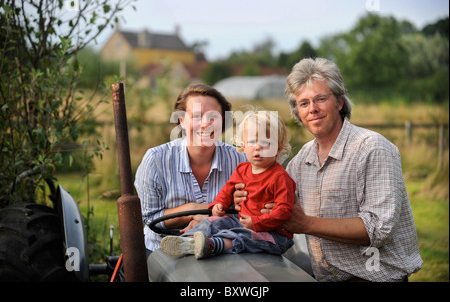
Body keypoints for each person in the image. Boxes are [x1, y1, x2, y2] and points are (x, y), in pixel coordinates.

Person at [235, 57, 423, 282]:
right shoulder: (300, 161)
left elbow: (378, 229)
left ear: (339, 102)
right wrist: (248, 196)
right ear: (298, 111)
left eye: (320, 99)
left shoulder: (372, 148)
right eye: (304, 103)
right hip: (323, 277)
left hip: (374, 277)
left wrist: (305, 224)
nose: (312, 109)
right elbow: (279, 208)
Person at [160, 110, 296, 259]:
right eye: (252, 142)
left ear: (279, 148)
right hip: (241, 221)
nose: (258, 147)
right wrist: (219, 204)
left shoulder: (281, 178)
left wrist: (257, 222)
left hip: (272, 234)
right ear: (243, 145)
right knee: (213, 221)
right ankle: (187, 241)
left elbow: (284, 210)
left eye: (266, 143)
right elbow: (227, 190)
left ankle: (213, 245)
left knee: (242, 235)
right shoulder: (242, 169)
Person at [134, 84, 247, 255]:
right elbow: (150, 218)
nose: (205, 124)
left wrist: (207, 222)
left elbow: (250, 212)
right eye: (196, 116)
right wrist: (193, 210)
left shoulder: (240, 159)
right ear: (181, 121)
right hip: (161, 249)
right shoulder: (155, 160)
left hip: (222, 249)